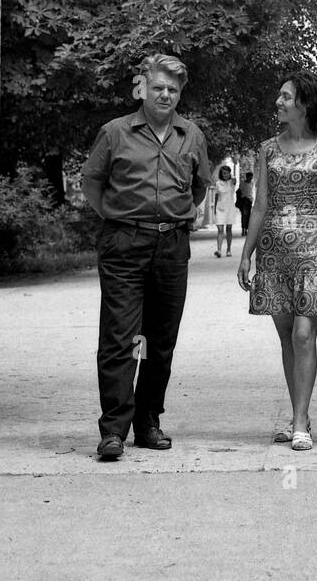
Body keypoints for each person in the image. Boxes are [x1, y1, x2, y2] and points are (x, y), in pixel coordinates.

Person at [81, 53, 212, 461]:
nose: (165, 95)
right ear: (142, 87)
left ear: (180, 93)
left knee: (160, 340)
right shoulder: (115, 132)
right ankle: (113, 430)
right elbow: (92, 181)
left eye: (173, 89)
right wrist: (117, 217)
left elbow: (199, 186)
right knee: (120, 336)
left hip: (172, 246)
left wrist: (172, 218)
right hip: (124, 244)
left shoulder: (191, 135)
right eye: (158, 87)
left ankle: (148, 422)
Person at [237, 71, 317, 452]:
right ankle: (299, 411)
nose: (278, 102)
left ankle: (301, 422)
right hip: (273, 252)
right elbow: (260, 204)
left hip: (314, 250)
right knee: (287, 338)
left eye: (286, 97)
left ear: (305, 103)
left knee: (305, 335)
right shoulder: (267, 149)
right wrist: (246, 253)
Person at [213, 164, 237, 257]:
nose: (225, 175)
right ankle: (219, 250)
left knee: (229, 229)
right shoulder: (218, 183)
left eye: (227, 173)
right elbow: (216, 196)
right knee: (220, 229)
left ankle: (228, 249)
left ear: (229, 173)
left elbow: (234, 179)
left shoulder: (232, 182)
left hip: (230, 208)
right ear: (221, 174)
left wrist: (234, 163)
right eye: (224, 173)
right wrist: (215, 208)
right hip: (220, 208)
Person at [235, 168, 255, 240]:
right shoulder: (242, 183)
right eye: (249, 177)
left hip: (249, 201)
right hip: (244, 201)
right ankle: (243, 230)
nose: (250, 179)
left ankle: (246, 230)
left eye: (251, 178)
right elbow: (239, 191)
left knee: (248, 216)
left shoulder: (252, 183)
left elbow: (251, 191)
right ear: (247, 177)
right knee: (244, 215)